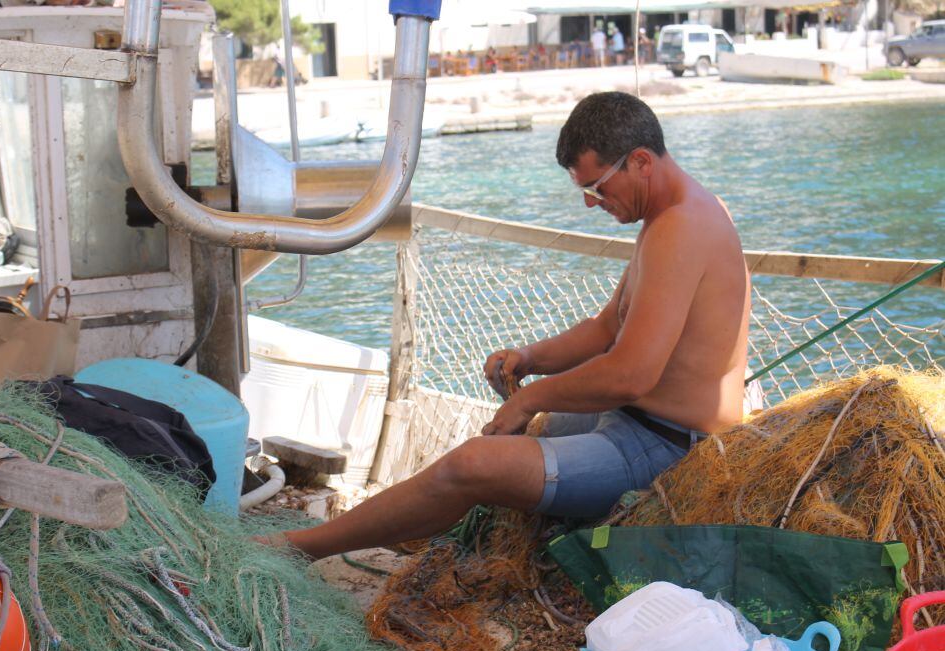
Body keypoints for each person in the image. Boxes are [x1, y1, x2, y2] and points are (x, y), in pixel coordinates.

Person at [255, 92, 751, 561]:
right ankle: (376, 531)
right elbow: (606, 329)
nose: (591, 203)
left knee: (473, 464)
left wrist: (528, 399)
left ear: (640, 161)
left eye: (596, 188)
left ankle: (302, 548)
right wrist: (529, 358)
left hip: (665, 446)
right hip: (630, 421)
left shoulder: (682, 228)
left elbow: (630, 375)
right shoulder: (667, 217)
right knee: (500, 441)